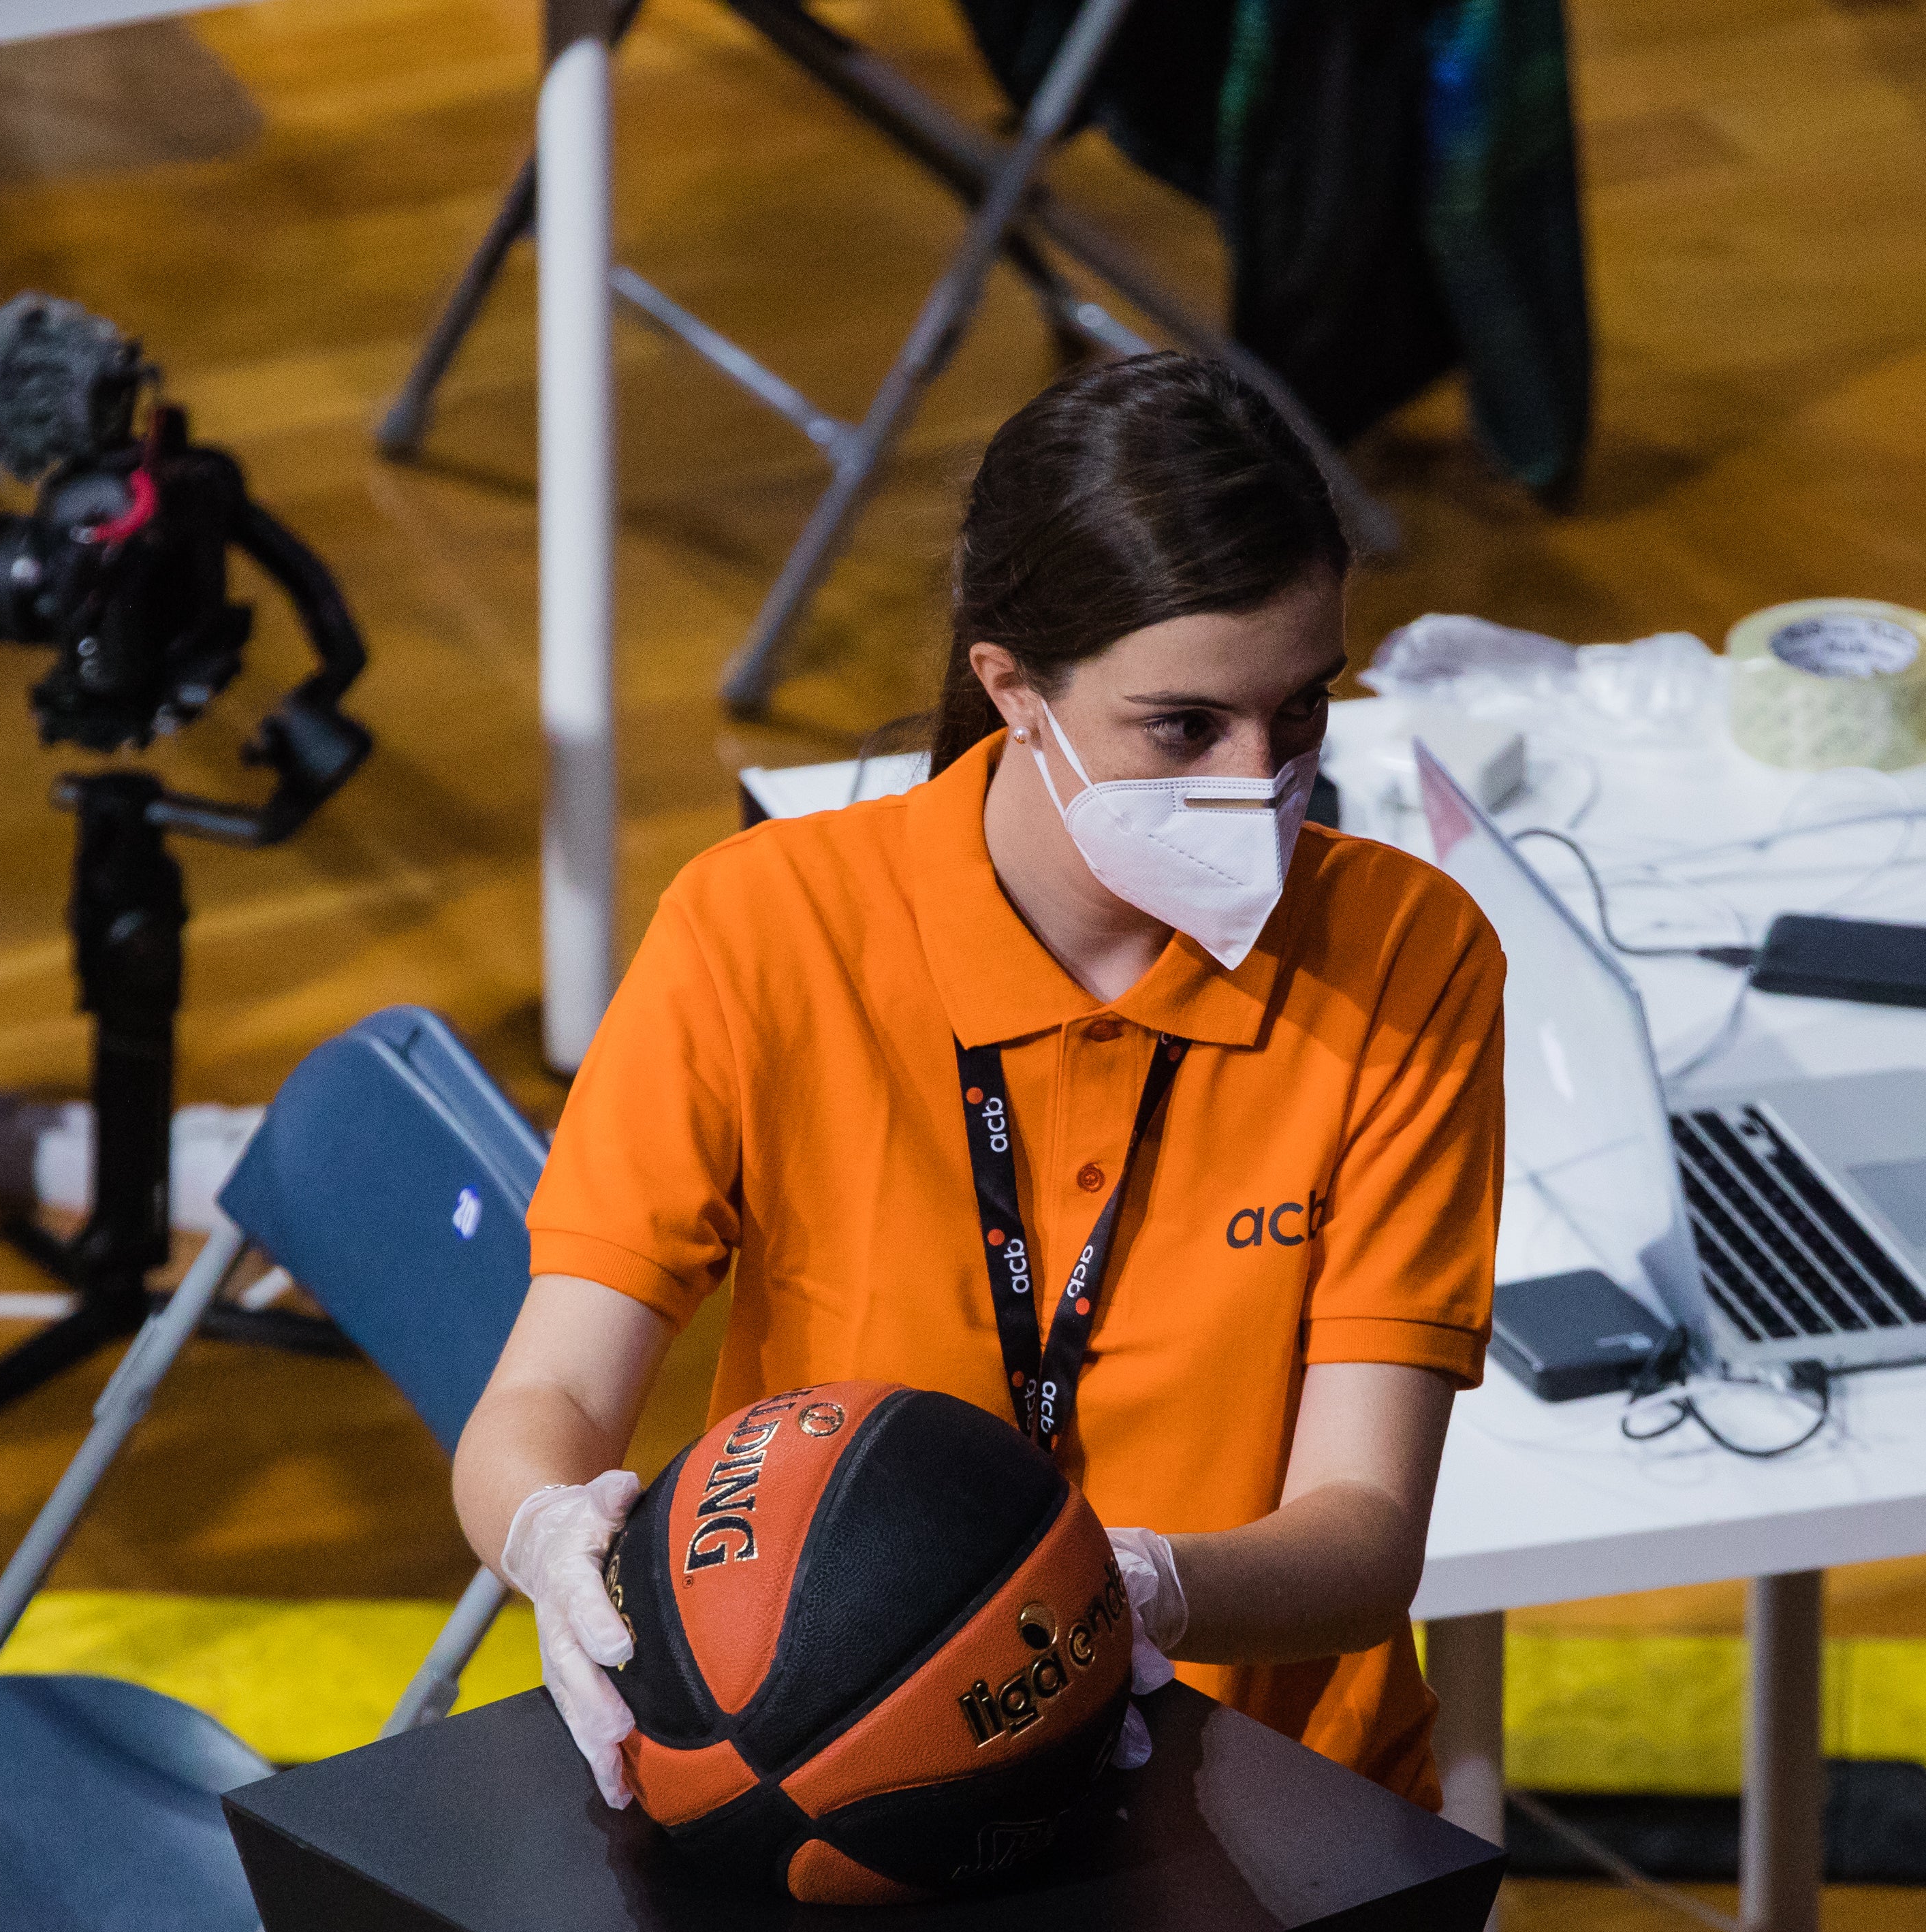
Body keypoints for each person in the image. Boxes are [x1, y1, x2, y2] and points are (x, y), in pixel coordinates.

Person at [453, 355, 1506, 1855]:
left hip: (1240, 1799)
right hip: (833, 1776)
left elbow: (1360, 1536)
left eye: (1301, 709)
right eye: (1182, 728)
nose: (1260, 780)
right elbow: (540, 1403)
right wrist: (548, 1534)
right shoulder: (762, 930)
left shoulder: (1407, 959)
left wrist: (1129, 1594)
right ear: (1012, 688)